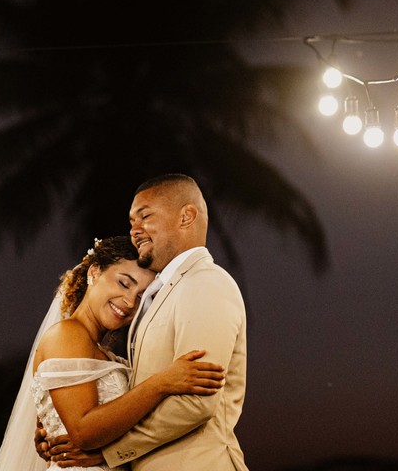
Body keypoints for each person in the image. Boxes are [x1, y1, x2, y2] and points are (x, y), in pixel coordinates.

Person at [46, 173, 250, 470]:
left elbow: (196, 402)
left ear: (186, 216)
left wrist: (109, 452)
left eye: (145, 217)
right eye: (132, 223)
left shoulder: (205, 283)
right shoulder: (162, 292)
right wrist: (57, 426)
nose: (135, 231)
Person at [0, 235, 226, 471]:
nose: (129, 302)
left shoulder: (98, 350)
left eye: (141, 296)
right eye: (124, 284)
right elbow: (84, 431)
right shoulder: (68, 334)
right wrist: (162, 383)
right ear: (94, 272)